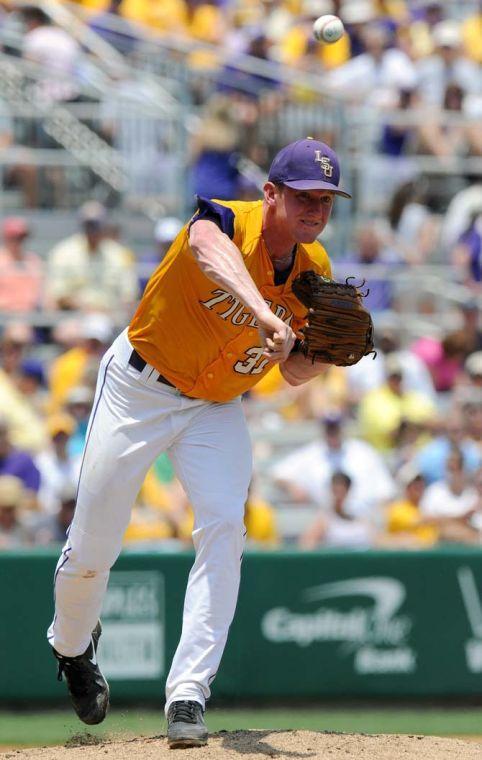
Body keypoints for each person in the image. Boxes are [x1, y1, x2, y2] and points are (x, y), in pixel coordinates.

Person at [46, 137, 352, 747]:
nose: (316, 209)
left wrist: (321, 356)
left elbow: (293, 372)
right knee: (93, 543)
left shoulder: (315, 272)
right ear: (271, 193)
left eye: (326, 199)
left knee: (224, 528)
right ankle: (72, 645)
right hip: (141, 386)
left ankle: (188, 693)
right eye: (303, 196)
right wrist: (265, 315)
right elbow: (204, 247)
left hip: (215, 406)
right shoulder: (224, 219)